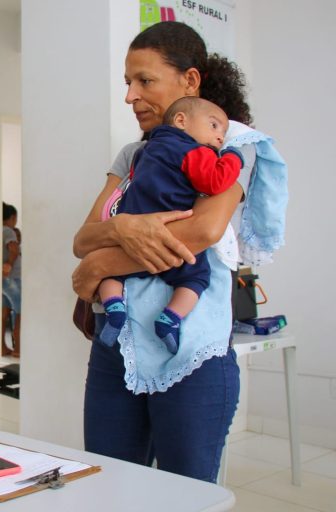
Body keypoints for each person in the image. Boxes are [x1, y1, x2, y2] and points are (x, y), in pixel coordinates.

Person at [71, 21, 272, 483]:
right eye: (127, 82)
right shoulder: (132, 155)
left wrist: (101, 264)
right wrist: (121, 225)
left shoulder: (229, 147)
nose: (130, 96)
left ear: (190, 81)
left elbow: (201, 230)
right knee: (112, 489)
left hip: (192, 355)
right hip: (115, 349)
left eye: (145, 80)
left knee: (185, 494)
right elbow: (82, 238)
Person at [97, 97, 244, 354]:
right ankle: (170, 319)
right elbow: (214, 181)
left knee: (110, 274)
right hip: (168, 232)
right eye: (214, 126)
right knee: (196, 277)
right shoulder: (193, 152)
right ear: (181, 121)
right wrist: (233, 157)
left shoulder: (144, 151)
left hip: (131, 231)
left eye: (223, 132)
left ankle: (114, 308)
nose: (220, 137)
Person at [2, 202, 21, 357]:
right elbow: (13, 248)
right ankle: (18, 349)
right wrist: (9, 263)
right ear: (13, 217)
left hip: (1, 280)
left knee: (4, 313)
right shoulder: (9, 231)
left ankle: (2, 347)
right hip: (13, 277)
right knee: (21, 311)